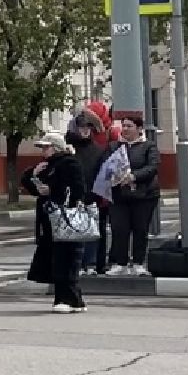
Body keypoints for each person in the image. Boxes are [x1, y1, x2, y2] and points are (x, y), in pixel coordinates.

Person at [23, 134, 89, 313]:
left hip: (65, 218)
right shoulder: (47, 165)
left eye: (47, 147)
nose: (44, 151)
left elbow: (77, 190)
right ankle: (72, 300)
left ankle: (67, 299)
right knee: (57, 259)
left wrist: (52, 190)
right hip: (51, 219)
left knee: (67, 258)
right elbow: (28, 183)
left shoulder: (69, 163)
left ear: (56, 147)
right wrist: (34, 175)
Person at [102, 112, 161, 276]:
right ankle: (119, 262)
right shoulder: (114, 146)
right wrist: (112, 175)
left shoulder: (148, 146)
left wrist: (134, 176)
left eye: (129, 126)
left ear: (139, 128)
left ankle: (138, 262)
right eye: (124, 126)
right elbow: (105, 166)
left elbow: (153, 167)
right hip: (119, 195)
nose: (125, 129)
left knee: (140, 229)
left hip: (144, 196)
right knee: (119, 229)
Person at [68, 103, 112, 274]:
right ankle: (77, 264)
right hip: (73, 198)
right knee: (75, 233)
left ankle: (93, 265)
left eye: (88, 127)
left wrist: (98, 195)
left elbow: (102, 175)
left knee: (94, 233)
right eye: (82, 127)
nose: (85, 131)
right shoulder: (69, 149)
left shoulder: (98, 151)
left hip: (92, 198)